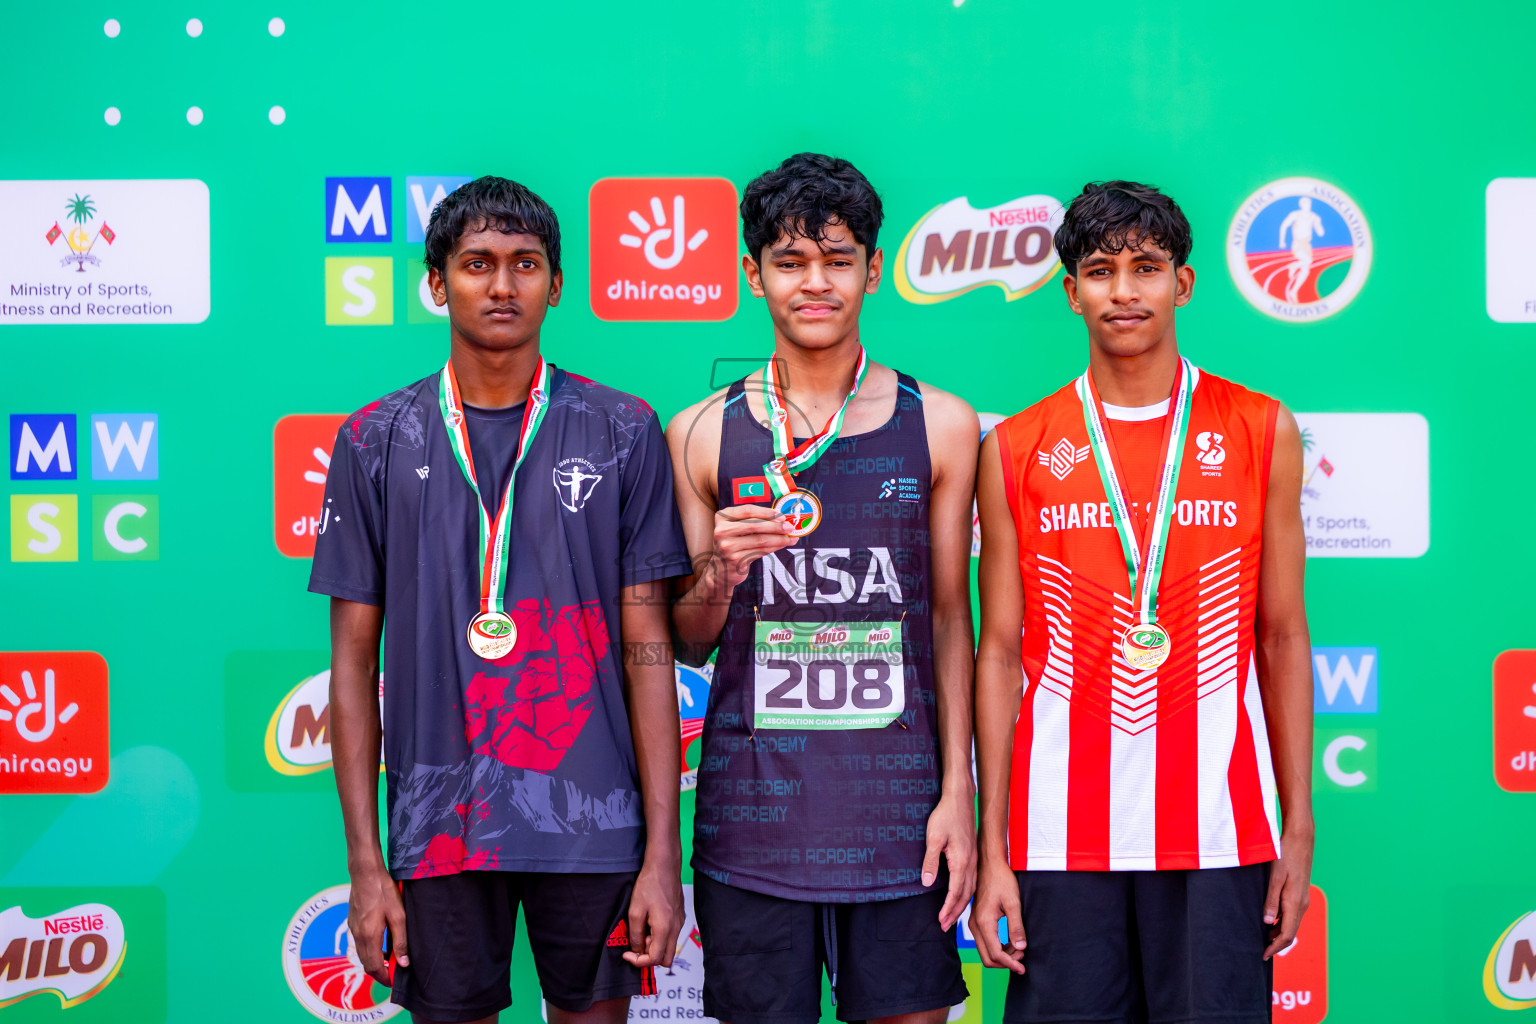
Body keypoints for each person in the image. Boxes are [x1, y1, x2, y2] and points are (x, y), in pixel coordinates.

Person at [310, 176, 694, 1024]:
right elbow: (350, 666)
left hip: (591, 821)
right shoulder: (375, 439)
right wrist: (366, 865)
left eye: (525, 264)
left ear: (557, 285)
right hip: (438, 824)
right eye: (477, 264)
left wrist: (663, 852)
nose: (502, 285)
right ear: (439, 283)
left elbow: (649, 650)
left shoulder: (624, 430)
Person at [971, 181, 1314, 1024]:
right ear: (1070, 291)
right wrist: (994, 846)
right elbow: (1000, 652)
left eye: (1146, 268)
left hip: (1222, 833)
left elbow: (1281, 636)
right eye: (1100, 270)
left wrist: (1297, 825)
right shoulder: (1016, 445)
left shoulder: (1261, 429)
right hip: (1057, 834)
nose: (1124, 291)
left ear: (1183, 284)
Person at [666, 153, 979, 1024]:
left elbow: (952, 621)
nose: (816, 283)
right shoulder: (697, 432)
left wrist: (959, 792)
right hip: (753, 826)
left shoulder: (942, 425)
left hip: (902, 826)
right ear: (751, 273)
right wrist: (724, 566)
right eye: (790, 262)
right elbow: (687, 637)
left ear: (874, 272)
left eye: (838, 260)